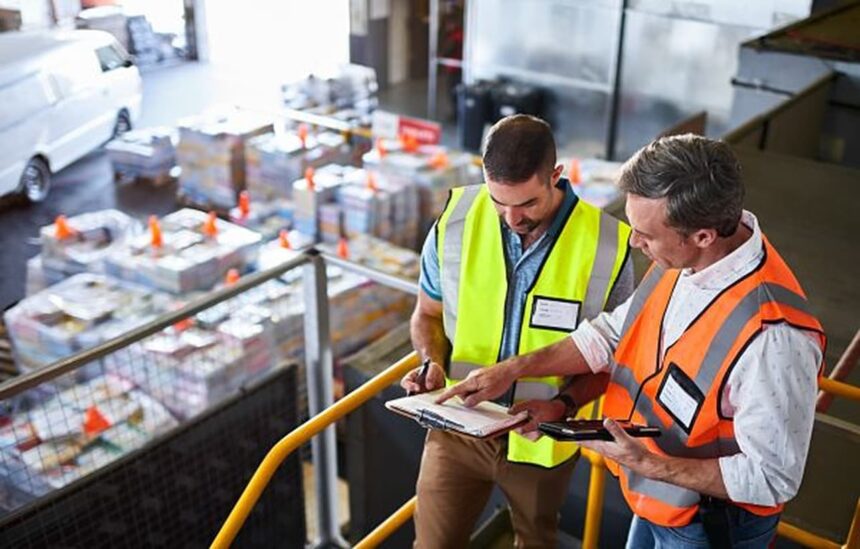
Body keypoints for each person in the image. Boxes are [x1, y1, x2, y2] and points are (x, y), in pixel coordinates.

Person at [438, 134, 826, 548]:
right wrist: (516, 370)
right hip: (657, 501)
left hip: (709, 527)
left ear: (703, 236)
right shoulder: (683, 259)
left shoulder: (774, 339)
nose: (634, 242)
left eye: (645, 234)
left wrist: (649, 463)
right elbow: (610, 334)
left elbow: (772, 478)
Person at [401, 114, 634, 548]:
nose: (511, 217)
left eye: (527, 204)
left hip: (541, 441)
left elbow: (617, 357)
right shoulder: (454, 221)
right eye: (498, 201)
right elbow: (426, 314)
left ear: (556, 177)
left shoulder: (608, 246)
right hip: (458, 429)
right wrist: (431, 362)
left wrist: (564, 403)